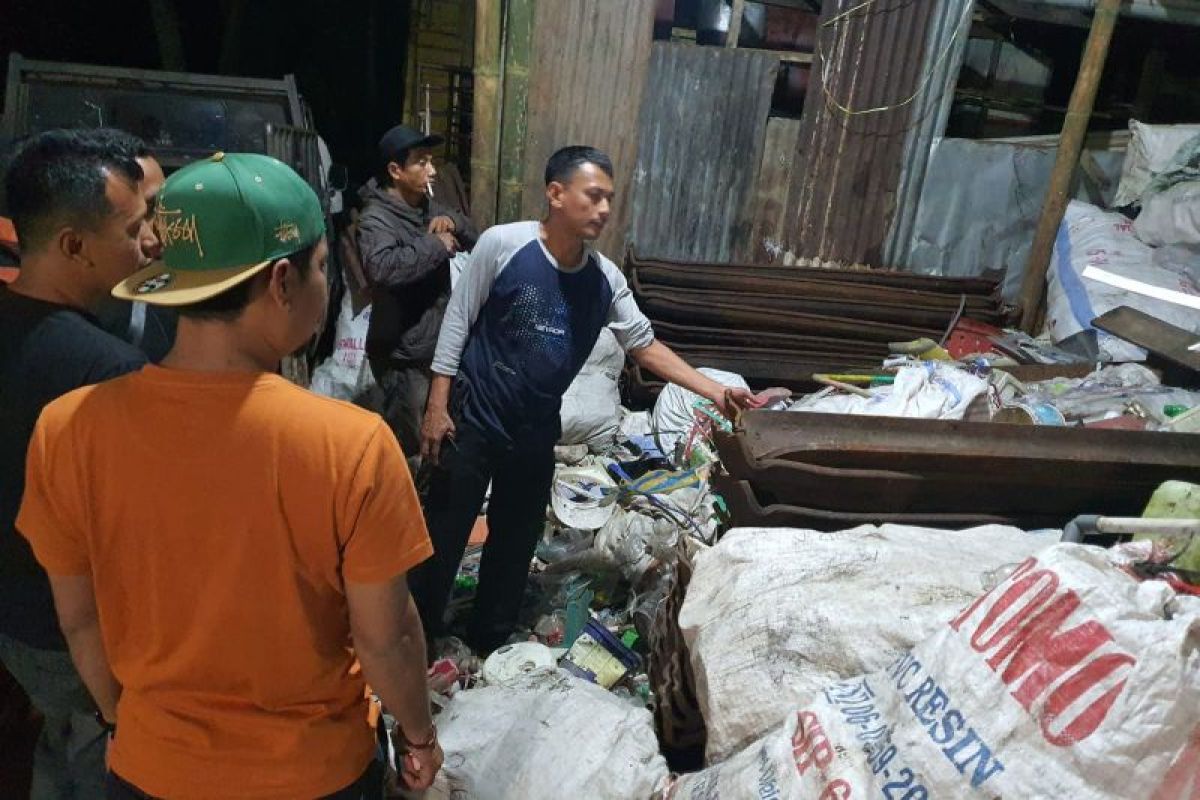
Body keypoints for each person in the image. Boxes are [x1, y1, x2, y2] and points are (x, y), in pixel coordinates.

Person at [17, 152, 442, 798]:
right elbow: (385, 637)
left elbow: (80, 622)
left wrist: (128, 724)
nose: (326, 287)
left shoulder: (68, 429)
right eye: (322, 268)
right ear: (281, 283)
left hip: (151, 768)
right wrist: (419, 734)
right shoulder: (352, 447)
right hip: (314, 774)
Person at [411, 145, 753, 653]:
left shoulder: (605, 280)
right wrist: (437, 406)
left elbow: (645, 345)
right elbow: (458, 321)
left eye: (609, 199)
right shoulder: (504, 246)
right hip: (474, 417)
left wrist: (716, 391)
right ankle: (414, 636)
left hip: (535, 429)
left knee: (515, 538)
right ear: (556, 194)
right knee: (444, 532)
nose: (605, 210)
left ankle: (487, 642)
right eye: (594, 196)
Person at [0, 128, 155, 799]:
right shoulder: (105, 371)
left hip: (15, 623)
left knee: (55, 756)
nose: (146, 243)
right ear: (73, 245)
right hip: (80, 639)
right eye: (134, 227)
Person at [358, 125, 478, 461]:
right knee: (409, 443)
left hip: (434, 345)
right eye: (422, 162)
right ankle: (403, 506)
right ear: (395, 171)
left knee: (438, 434)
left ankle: (428, 499)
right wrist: (434, 244)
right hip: (403, 355)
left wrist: (453, 224)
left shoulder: (428, 206)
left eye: (431, 161)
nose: (433, 170)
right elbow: (382, 269)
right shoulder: (376, 219)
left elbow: (474, 235)